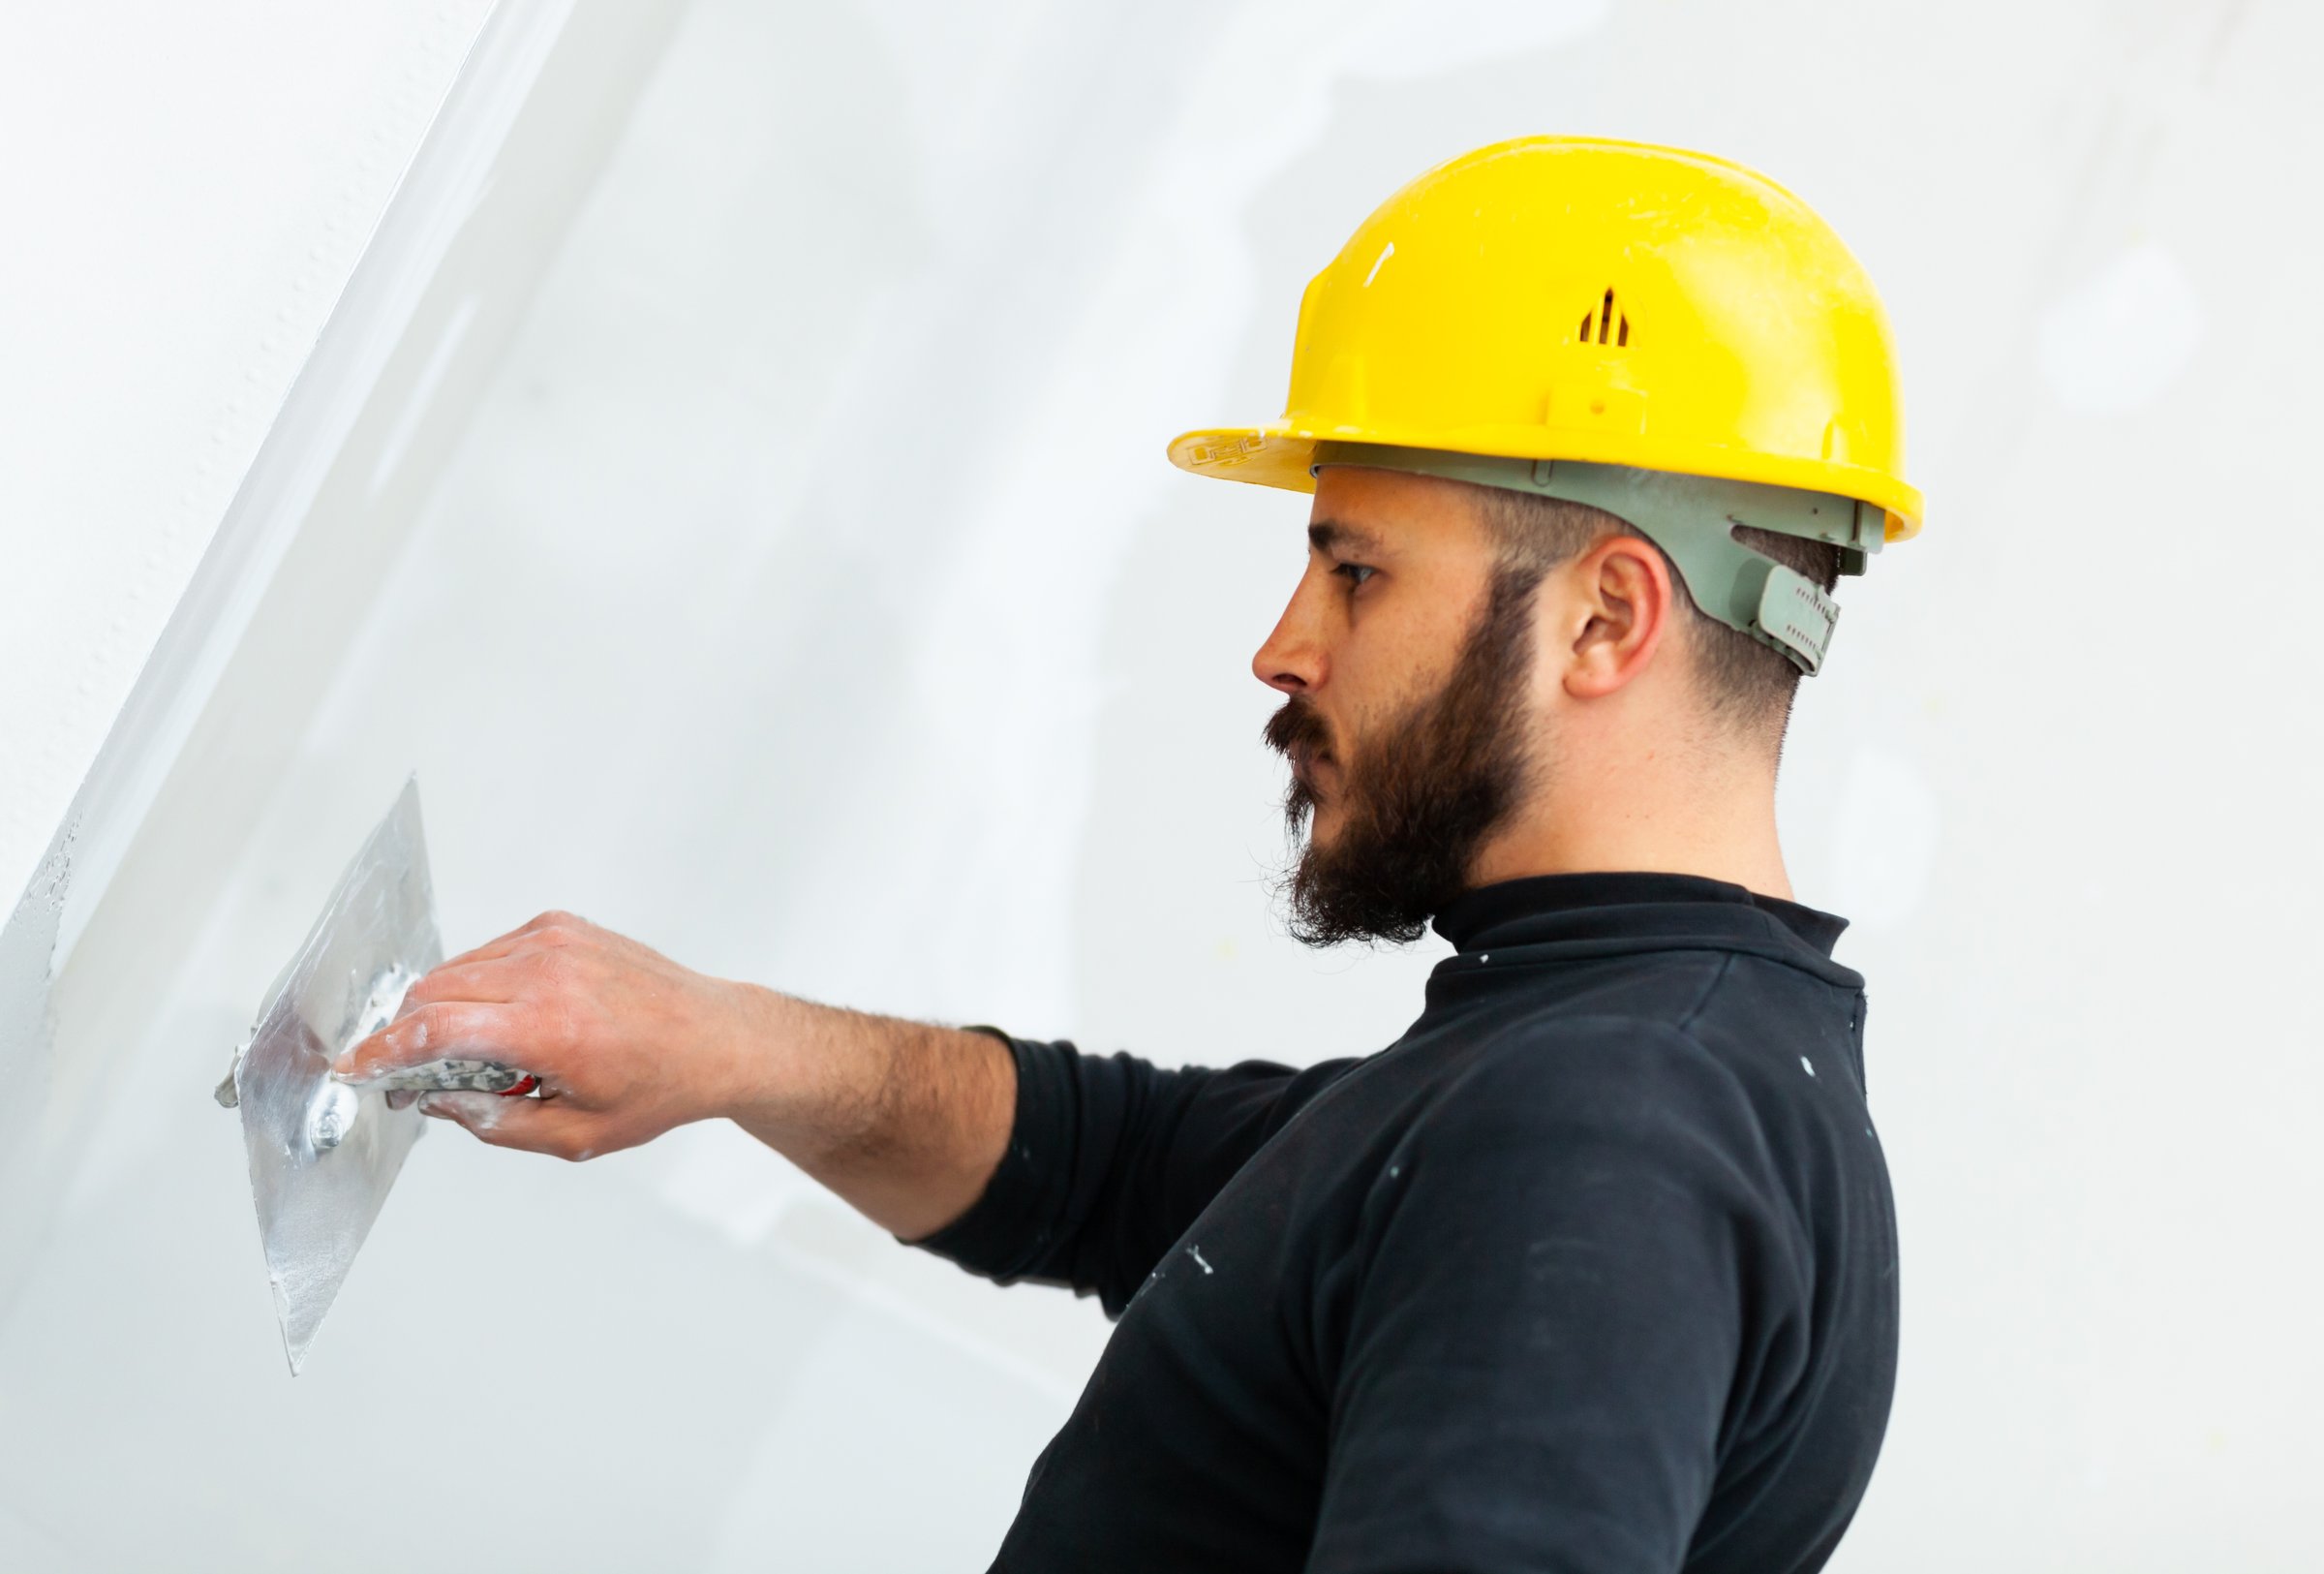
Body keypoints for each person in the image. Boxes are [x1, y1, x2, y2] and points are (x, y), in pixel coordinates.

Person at [340, 137, 1916, 1573]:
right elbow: (1114, 1170)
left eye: (1356, 572)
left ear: (1606, 617)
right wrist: (723, 1047)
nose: (1283, 647)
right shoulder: (1623, 1068)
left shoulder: (1604, 1136)